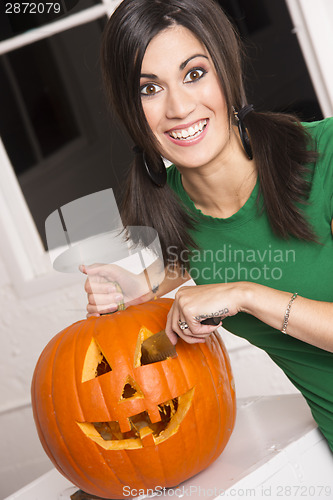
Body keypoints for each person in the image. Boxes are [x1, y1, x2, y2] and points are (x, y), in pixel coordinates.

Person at [80, 0, 333, 451]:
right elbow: (184, 267)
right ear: (131, 110)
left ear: (226, 73)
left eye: (194, 74)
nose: (178, 107)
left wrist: (245, 295)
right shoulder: (173, 210)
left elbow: (233, 279)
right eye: (148, 89)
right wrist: (125, 289)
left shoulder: (326, 156)